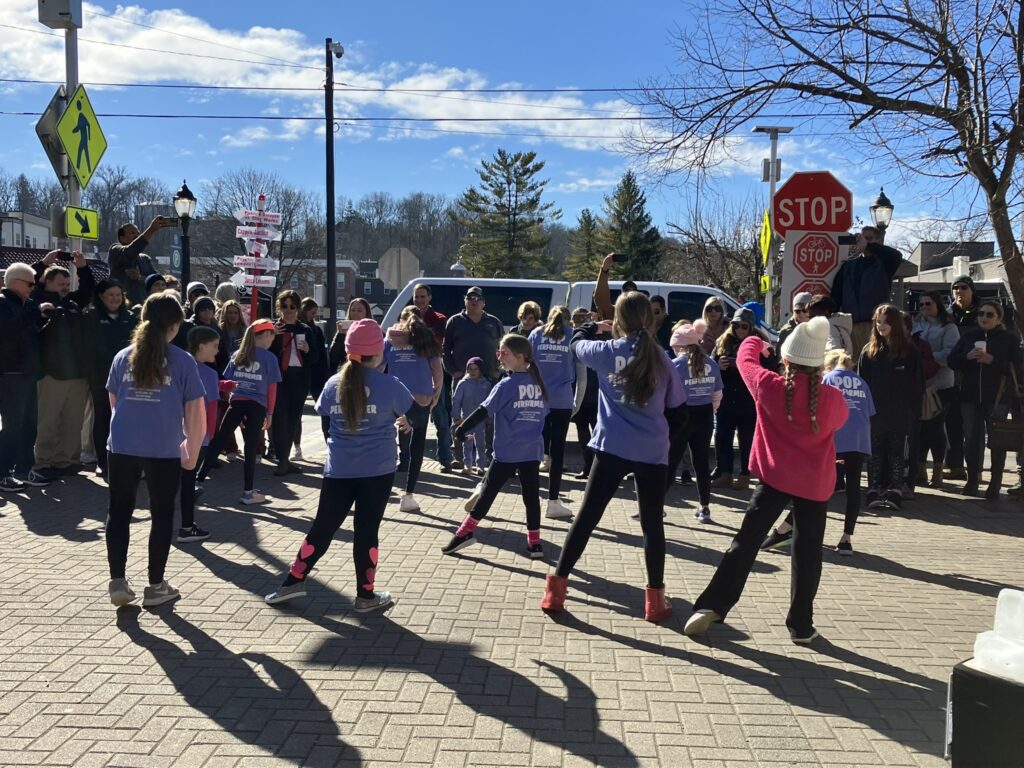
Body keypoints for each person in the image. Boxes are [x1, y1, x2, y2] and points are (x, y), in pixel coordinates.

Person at [683, 316, 848, 643]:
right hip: (814, 485)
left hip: (773, 479)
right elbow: (839, 421)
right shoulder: (831, 399)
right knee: (808, 552)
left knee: (745, 542)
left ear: (785, 360)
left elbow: (745, 360)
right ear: (819, 365)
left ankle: (712, 605)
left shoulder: (768, 385)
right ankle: (801, 625)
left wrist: (757, 342)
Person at [540, 292, 686, 623]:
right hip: (651, 452)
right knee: (652, 527)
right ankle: (655, 601)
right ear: (650, 319)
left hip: (611, 447)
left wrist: (594, 327)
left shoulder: (606, 352)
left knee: (586, 519)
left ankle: (556, 591)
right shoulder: (662, 359)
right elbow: (679, 414)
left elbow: (575, 344)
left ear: (617, 320)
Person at [265, 319, 412, 611]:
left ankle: (292, 582)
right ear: (378, 352)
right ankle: (365, 595)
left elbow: (323, 410)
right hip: (377, 470)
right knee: (367, 531)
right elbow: (410, 410)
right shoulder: (389, 385)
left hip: (339, 469)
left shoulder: (334, 384)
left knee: (322, 527)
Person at [105, 291, 206, 608]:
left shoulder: (124, 356)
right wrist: (191, 451)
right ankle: (155, 585)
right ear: (175, 325)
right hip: (163, 445)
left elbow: (113, 401)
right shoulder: (182, 360)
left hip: (121, 445)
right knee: (161, 514)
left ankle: (118, 581)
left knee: (119, 511)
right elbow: (195, 413)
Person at [442, 334, 550, 559]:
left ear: (520, 357)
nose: (499, 356)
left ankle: (465, 532)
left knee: (487, 494)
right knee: (531, 497)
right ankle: (534, 543)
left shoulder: (506, 384)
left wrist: (462, 429)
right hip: (531, 450)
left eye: (504, 352)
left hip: (507, 451)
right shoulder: (539, 383)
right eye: (499, 351)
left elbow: (484, 411)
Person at [762, 349, 874, 556]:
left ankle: (786, 529)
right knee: (853, 489)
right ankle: (846, 540)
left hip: (835, 438)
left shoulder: (828, 379)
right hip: (859, 440)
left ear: (826, 366)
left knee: (816, 487)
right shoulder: (861, 382)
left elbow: (817, 406)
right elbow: (869, 412)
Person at [198, 319, 282, 505]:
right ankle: (247, 492)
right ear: (267, 335)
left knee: (219, 440)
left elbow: (228, 383)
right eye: (272, 336)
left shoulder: (238, 354)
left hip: (236, 404)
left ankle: (199, 479)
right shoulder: (270, 358)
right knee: (250, 448)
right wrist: (270, 414)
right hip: (257, 406)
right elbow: (272, 390)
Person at [29, 254, 96, 485]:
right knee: (48, 422)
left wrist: (83, 268)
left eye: (68, 285)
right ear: (46, 283)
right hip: (51, 374)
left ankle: (65, 461)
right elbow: (26, 281)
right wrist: (44, 263)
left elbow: (89, 289)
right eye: (60, 285)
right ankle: (42, 463)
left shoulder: (73, 303)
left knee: (72, 422)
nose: (65, 289)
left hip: (77, 374)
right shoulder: (38, 301)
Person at [948, 300, 1022, 498]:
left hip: (998, 397)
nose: (984, 318)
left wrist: (993, 360)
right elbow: (952, 361)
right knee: (972, 439)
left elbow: (1017, 367)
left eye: (989, 315)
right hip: (970, 396)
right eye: (981, 314)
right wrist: (968, 356)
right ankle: (973, 479)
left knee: (997, 440)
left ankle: (995, 483)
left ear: (998, 318)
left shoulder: (1009, 338)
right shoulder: (970, 336)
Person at [858, 304, 924, 510]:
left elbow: (917, 384)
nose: (881, 326)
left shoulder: (909, 351)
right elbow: (862, 383)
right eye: (878, 322)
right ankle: (873, 489)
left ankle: (896, 489)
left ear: (895, 323)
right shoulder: (869, 351)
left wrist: (914, 413)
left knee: (896, 452)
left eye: (886, 321)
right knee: (875, 452)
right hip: (875, 413)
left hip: (900, 413)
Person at [384, 305, 443, 513]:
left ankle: (381, 487)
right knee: (417, 444)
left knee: (386, 438)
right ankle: (408, 495)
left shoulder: (390, 339)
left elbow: (380, 365)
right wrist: (435, 395)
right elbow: (437, 369)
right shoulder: (425, 338)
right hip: (420, 397)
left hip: (394, 395)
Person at [711, 308, 775, 491]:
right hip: (726, 398)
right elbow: (711, 364)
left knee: (747, 438)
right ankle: (725, 473)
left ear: (751, 328)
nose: (739, 330)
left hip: (749, 400)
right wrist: (719, 366)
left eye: (744, 326)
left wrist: (754, 365)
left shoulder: (762, 345)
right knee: (722, 436)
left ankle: (745, 475)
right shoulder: (723, 341)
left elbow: (771, 368)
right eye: (736, 325)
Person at [666, 319, 723, 523]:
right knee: (701, 463)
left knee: (671, 462)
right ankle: (705, 508)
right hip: (705, 416)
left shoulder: (675, 365)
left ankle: (657, 506)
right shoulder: (711, 363)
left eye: (674, 347)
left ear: (680, 346)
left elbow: (667, 394)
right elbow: (718, 393)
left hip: (681, 416)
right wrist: (710, 411)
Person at [179, 326, 231, 543]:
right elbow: (210, 408)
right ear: (201, 347)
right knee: (188, 481)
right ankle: (187, 526)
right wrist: (209, 434)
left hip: (175, 432)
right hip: (198, 436)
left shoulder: (178, 366)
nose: (217, 351)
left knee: (175, 480)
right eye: (214, 346)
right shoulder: (208, 374)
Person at [442, 286, 504, 468]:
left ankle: (488, 457)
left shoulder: (493, 322)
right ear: (465, 301)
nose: (474, 301)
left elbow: (503, 348)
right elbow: (445, 350)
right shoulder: (454, 321)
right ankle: (459, 457)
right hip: (464, 379)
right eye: (470, 298)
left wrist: (498, 371)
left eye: (477, 298)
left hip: (490, 379)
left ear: (483, 302)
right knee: (459, 417)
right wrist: (454, 372)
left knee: (489, 420)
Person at [0, 262, 48, 492]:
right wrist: (33, 314)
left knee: (29, 425)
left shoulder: (25, 305)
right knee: (13, 426)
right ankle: (3, 472)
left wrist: (43, 319)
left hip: (28, 372)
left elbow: (30, 333)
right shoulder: (3, 304)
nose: (32, 288)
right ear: (15, 282)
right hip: (10, 374)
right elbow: (8, 331)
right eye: (29, 283)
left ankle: (23, 468)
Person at [85, 279, 137, 479]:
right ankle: (102, 462)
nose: (115, 299)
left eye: (118, 294)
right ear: (101, 297)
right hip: (101, 377)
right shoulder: (91, 317)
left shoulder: (131, 317)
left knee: (127, 418)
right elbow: (90, 347)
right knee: (104, 417)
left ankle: (127, 459)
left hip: (128, 376)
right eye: (110, 295)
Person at [530, 306, 576, 520]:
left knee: (532, 447)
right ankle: (553, 502)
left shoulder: (536, 334)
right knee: (557, 451)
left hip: (537, 397)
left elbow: (527, 365)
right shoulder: (572, 335)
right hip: (562, 399)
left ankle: (530, 502)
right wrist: (576, 400)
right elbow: (581, 373)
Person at [268, 290, 320, 476]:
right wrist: (272, 336)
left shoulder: (305, 329)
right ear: (279, 308)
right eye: (284, 306)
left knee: (293, 418)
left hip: (299, 378)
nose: (288, 310)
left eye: (292, 306)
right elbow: (264, 354)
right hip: (280, 378)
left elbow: (315, 357)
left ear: (298, 308)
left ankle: (285, 458)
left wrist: (307, 349)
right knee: (280, 418)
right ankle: (281, 459)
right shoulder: (274, 328)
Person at [912, 291, 960, 487]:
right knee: (921, 429)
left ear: (937, 304)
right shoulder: (917, 325)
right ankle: (920, 470)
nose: (924, 307)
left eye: (928, 304)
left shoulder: (949, 327)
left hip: (941, 385)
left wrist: (928, 358)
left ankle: (938, 471)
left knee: (936, 429)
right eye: (921, 304)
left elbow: (952, 352)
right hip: (920, 385)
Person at [831, 226, 903, 355]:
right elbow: (836, 295)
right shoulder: (848, 266)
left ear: (878, 242)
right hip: (851, 326)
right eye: (862, 239)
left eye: (869, 239)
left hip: (875, 325)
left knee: (874, 361)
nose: (864, 242)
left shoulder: (884, 264)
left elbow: (896, 255)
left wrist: (868, 246)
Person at [413, 283, 453, 472]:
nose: (419, 300)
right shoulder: (406, 317)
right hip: (410, 376)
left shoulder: (439, 318)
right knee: (407, 418)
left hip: (434, 375)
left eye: (423, 296)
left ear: (429, 298)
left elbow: (436, 343)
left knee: (441, 416)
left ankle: (445, 457)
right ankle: (407, 459)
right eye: (417, 297)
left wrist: (415, 337)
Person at [944, 275, 981, 481]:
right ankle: (954, 464)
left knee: (974, 427)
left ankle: (975, 468)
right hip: (952, 373)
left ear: (972, 290)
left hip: (977, 376)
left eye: (964, 287)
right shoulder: (947, 315)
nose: (959, 291)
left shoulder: (982, 314)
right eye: (955, 288)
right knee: (952, 421)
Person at [294, 297, 329, 462]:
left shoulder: (315, 330)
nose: (313, 316)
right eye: (312, 313)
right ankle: (297, 447)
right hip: (300, 375)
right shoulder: (297, 328)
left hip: (317, 377)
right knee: (296, 414)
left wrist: (325, 376)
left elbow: (321, 355)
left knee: (325, 412)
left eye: (315, 314)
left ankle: (329, 445)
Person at [107, 218, 173, 306]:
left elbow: (157, 280)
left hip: (144, 307)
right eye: (132, 233)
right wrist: (152, 229)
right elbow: (130, 252)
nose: (137, 235)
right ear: (122, 238)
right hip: (121, 306)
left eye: (138, 233)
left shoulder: (145, 259)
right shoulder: (115, 250)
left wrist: (140, 278)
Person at [569, 307, 599, 479]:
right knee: (582, 433)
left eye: (582, 320)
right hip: (578, 395)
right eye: (576, 320)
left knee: (597, 433)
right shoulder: (572, 340)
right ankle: (588, 467)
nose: (579, 324)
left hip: (595, 395)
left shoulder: (595, 340)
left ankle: (597, 469)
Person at [452, 358, 492, 472]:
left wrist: (489, 419)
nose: (473, 371)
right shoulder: (463, 384)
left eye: (476, 369)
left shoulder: (487, 384)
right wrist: (456, 416)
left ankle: (480, 465)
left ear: (481, 370)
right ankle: (467, 465)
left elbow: (489, 403)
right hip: (466, 419)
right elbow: (456, 400)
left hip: (480, 419)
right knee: (467, 442)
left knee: (480, 443)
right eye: (470, 369)